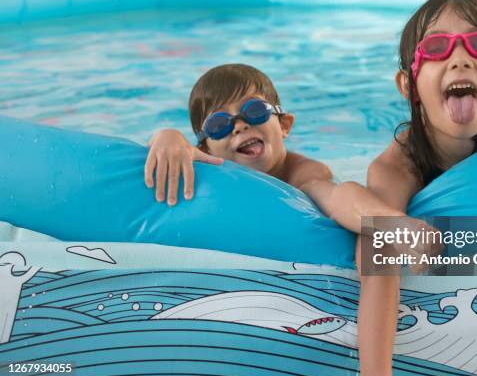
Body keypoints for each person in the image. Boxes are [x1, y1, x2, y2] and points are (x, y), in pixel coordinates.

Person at [357, 0, 477, 376]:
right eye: (436, 47)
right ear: (409, 86)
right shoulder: (397, 167)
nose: (460, 57)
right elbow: (377, 258)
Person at [144, 64, 436, 257]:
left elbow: (335, 197)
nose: (240, 125)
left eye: (254, 110)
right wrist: (167, 136)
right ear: (205, 148)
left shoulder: (300, 172)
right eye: (219, 124)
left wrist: (396, 227)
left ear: (284, 125)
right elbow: (160, 159)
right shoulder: (208, 168)